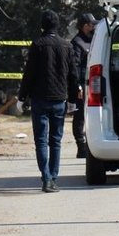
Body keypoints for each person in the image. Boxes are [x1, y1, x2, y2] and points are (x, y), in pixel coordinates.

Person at [18, 10, 79, 193]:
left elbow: (29, 73)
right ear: (57, 25)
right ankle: (53, 177)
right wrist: (73, 99)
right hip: (60, 98)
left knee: (41, 140)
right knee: (56, 141)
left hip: (40, 99)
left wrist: (22, 96)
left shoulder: (38, 44)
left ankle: (46, 178)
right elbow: (73, 75)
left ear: (42, 25)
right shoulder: (67, 46)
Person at [71, 12, 98, 158]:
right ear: (84, 26)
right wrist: (77, 86)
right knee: (80, 116)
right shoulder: (77, 42)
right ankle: (81, 146)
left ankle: (90, 144)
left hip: (93, 84)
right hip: (81, 85)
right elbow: (73, 66)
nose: (93, 27)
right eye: (91, 24)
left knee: (92, 115)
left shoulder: (93, 40)